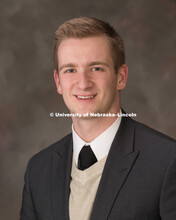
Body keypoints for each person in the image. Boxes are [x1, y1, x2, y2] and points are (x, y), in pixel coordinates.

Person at [20, 17, 176, 220]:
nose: (83, 83)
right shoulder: (39, 169)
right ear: (58, 82)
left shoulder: (167, 161)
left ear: (121, 76)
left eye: (96, 68)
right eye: (70, 70)